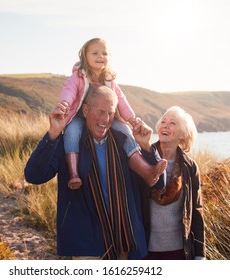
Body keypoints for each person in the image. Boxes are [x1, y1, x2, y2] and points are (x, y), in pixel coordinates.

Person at [24, 85, 147, 259]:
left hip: (125, 245)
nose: (105, 119)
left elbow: (156, 184)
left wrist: (147, 147)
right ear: (86, 110)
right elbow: (34, 176)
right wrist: (53, 133)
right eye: (101, 112)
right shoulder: (69, 145)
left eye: (110, 113)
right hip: (87, 246)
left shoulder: (124, 143)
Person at [57, 37, 166, 189]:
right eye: (95, 53)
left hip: (106, 115)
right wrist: (65, 103)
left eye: (105, 53)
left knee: (126, 130)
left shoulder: (110, 80)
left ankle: (146, 170)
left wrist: (131, 118)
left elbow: (121, 100)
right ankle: (74, 173)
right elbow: (69, 91)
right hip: (79, 115)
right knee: (72, 132)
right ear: (85, 56)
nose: (100, 56)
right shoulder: (79, 76)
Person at [134, 106, 206, 260]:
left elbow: (196, 211)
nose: (165, 126)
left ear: (183, 134)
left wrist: (200, 254)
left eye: (172, 123)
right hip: (144, 250)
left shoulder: (190, 167)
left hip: (180, 251)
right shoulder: (141, 158)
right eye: (163, 122)